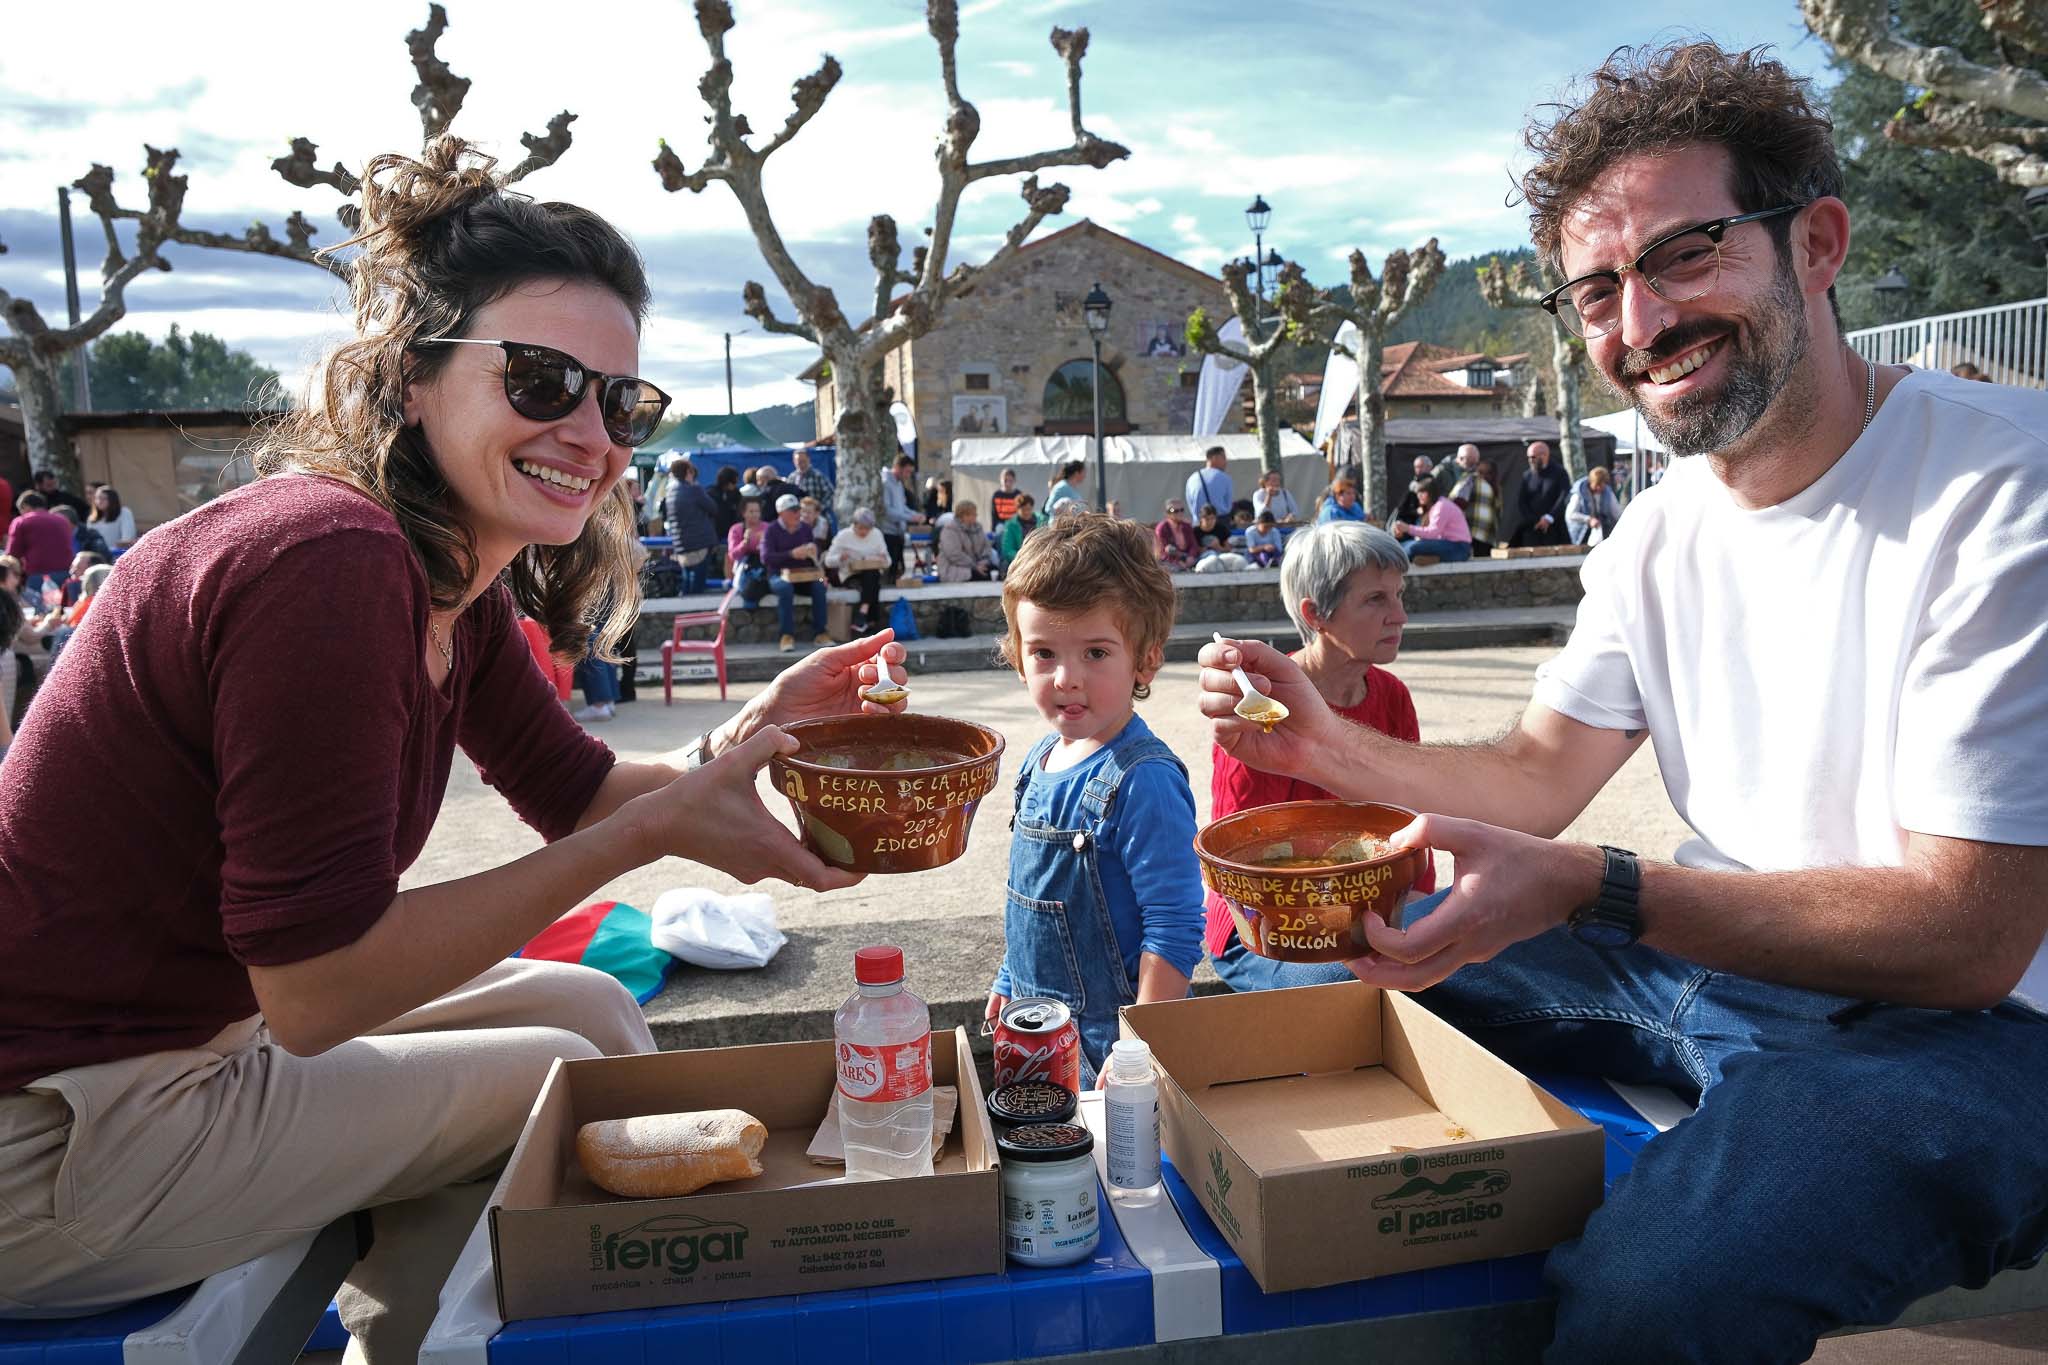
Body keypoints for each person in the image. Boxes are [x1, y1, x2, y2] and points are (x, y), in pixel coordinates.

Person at [1198, 41, 2048, 1363]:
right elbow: (1540, 772)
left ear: (1816, 243)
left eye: (1686, 254)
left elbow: (1970, 935)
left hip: (1985, 1036)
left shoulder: (2004, 489)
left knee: (1655, 1302)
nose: (1641, 324)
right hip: (1729, 968)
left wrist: (1591, 888)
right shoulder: (1659, 531)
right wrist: (1324, 739)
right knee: (1264, 971)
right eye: (1598, 287)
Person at [0, 136, 912, 1360]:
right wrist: (653, 829)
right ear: (412, 380)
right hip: (53, 1141)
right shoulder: (327, 565)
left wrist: (756, 741)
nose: (591, 433)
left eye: (621, 400)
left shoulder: (441, 574)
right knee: (555, 1074)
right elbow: (317, 992)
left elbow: (577, 791)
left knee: (589, 1004)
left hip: (173, 1060)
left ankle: (434, 1335)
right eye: (539, 379)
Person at [985, 512, 1202, 1082]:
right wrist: (1010, 980)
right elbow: (1031, 898)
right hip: (1033, 1033)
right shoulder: (1037, 761)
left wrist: (1143, 1044)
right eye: (1044, 653)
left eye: (1096, 653)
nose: (1066, 678)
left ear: (1146, 658)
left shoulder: (1144, 780)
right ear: (1017, 655)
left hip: (1111, 1050)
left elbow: (1174, 926)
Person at [1206, 521, 1435, 991]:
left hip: (1369, 914)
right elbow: (1246, 859)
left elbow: (1411, 825)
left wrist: (1414, 909)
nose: (1400, 616)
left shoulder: (1392, 696)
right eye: (1376, 599)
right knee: (1358, 984)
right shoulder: (1261, 706)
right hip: (1264, 929)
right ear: (1316, 615)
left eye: (1399, 595)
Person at [764, 493, 830, 652]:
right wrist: (791, 554)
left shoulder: (806, 529)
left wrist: (813, 551)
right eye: (792, 510)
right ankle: (786, 635)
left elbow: (813, 554)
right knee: (785, 589)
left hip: (803, 575)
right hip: (778, 575)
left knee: (820, 586)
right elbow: (766, 557)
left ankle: (821, 633)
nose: (797, 514)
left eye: (797, 510)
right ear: (781, 513)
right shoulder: (771, 530)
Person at [823, 506, 890, 634]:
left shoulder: (876, 534)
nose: (864, 532)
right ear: (854, 524)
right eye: (860, 528)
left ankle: (862, 614)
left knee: (872, 575)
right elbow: (828, 561)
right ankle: (870, 622)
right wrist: (841, 557)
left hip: (871, 573)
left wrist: (879, 559)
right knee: (873, 583)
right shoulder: (843, 536)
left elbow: (888, 561)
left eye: (867, 529)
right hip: (849, 575)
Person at [663, 456, 720, 593]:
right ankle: (698, 613)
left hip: (681, 543)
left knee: (687, 581)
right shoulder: (694, 490)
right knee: (697, 586)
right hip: (699, 541)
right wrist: (696, 486)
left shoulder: (670, 492)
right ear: (688, 472)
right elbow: (713, 509)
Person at [4, 492, 74, 596]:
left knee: (39, 610)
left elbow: (12, 555)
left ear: (25, 507)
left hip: (38, 577)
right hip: (66, 574)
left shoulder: (21, 521)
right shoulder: (62, 520)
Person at [1391, 480, 1473, 562]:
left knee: (1412, 547)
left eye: (1423, 492)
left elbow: (1432, 533)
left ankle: (1433, 557)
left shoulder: (1442, 506)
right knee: (1404, 546)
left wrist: (1407, 528)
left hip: (1459, 548)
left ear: (1431, 493)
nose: (1419, 496)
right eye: (1418, 493)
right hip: (1450, 546)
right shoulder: (1435, 507)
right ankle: (1433, 558)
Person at [1512, 440, 1571, 546]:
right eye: (1529, 457)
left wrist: (1549, 518)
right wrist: (1535, 520)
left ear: (1544, 455)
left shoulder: (1560, 473)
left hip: (1555, 527)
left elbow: (1563, 497)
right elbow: (1522, 502)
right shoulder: (1527, 476)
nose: (1530, 460)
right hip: (1533, 528)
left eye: (1533, 457)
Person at [1448, 449, 1499, 557]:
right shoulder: (1471, 479)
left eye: (1488, 473)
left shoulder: (1496, 488)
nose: (1484, 475)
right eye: (1481, 472)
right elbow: (1456, 499)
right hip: (1472, 531)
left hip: (1488, 535)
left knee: (1483, 563)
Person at [726, 496, 770, 604]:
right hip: (745, 571)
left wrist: (764, 545)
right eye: (751, 511)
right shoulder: (736, 529)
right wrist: (744, 543)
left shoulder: (768, 528)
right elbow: (733, 555)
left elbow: (775, 552)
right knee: (750, 591)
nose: (755, 514)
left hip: (766, 570)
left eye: (757, 511)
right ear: (743, 513)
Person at [936, 499, 993, 582]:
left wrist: (983, 562)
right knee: (981, 575)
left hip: (977, 565)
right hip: (956, 568)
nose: (976, 516)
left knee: (993, 571)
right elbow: (954, 554)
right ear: (964, 515)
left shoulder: (978, 528)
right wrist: (974, 566)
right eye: (973, 514)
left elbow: (986, 547)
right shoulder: (950, 530)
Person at [1565, 464, 1622, 545]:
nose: (1599, 488)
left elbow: (1617, 512)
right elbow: (1570, 514)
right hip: (1582, 534)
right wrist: (1588, 519)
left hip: (1603, 533)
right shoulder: (1579, 494)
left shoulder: (1607, 493)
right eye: (1597, 485)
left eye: (1602, 485)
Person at [1184, 445, 1233, 520]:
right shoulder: (1224, 477)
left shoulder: (1193, 478)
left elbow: (1190, 502)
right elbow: (1228, 504)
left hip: (1199, 522)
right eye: (1223, 458)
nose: (1226, 461)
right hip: (1220, 522)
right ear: (1214, 458)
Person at [1391, 455, 1437, 531]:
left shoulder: (1434, 483)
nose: (1418, 470)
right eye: (1416, 467)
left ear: (1430, 467)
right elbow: (1403, 506)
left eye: (1421, 466)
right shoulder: (1413, 483)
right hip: (1409, 520)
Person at [86, 484, 137, 551]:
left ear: (112, 500)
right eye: (97, 498)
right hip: (99, 556)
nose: (99, 501)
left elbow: (127, 539)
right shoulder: (91, 519)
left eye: (103, 498)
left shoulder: (124, 513)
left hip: (119, 554)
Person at [1154, 498, 1200, 571]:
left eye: (1181, 510)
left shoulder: (1187, 526)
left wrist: (1191, 557)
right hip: (1170, 562)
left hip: (1188, 560)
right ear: (1167, 513)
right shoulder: (1162, 528)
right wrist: (1177, 561)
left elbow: (1193, 545)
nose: (1179, 513)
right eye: (1174, 511)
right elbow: (1162, 551)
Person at [998, 492, 1040, 562]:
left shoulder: (1041, 521)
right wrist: (1023, 557)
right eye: (1023, 509)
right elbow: (1007, 549)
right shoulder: (1010, 525)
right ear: (1017, 509)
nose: (1026, 512)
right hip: (1021, 560)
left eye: (1029, 509)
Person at [710, 464, 744, 543]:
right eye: (734, 482)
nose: (735, 484)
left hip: (732, 532)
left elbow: (740, 510)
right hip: (716, 533)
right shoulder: (712, 493)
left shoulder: (736, 493)